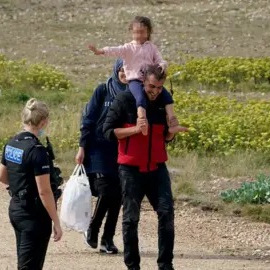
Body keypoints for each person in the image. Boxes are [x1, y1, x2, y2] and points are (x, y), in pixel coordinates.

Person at [103, 65, 184, 270]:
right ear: (142, 82)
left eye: (159, 87)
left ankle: (165, 265)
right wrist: (135, 131)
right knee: (131, 218)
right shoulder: (125, 100)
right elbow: (107, 131)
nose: (155, 91)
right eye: (151, 86)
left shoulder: (163, 103)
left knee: (167, 213)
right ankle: (133, 266)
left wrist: (172, 132)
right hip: (130, 170)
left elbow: (166, 137)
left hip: (157, 168)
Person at [88, 15, 187, 137]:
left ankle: (173, 123)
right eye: (136, 32)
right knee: (140, 98)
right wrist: (100, 51)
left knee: (167, 97)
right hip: (135, 80)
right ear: (131, 32)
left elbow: (160, 59)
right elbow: (114, 50)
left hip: (149, 80)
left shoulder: (151, 47)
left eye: (142, 32)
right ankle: (142, 123)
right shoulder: (128, 48)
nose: (139, 35)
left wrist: (162, 65)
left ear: (148, 32)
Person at [0, 98, 63, 269]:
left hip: (16, 209)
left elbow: (2, 177)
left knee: (24, 262)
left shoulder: (11, 143)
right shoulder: (37, 150)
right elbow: (45, 192)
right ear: (43, 122)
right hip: (34, 216)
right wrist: (56, 221)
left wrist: (21, 186)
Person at [75, 58, 128, 254]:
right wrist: (82, 146)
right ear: (116, 70)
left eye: (128, 70)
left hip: (120, 149)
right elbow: (88, 118)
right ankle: (93, 228)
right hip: (98, 148)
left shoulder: (135, 92)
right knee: (106, 191)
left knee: (118, 196)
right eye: (121, 69)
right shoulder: (103, 89)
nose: (124, 73)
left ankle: (107, 239)